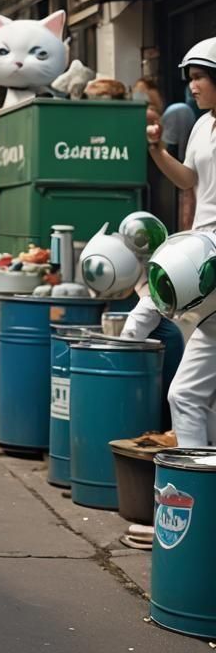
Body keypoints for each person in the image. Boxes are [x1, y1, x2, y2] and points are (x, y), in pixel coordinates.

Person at [123, 38, 216, 445]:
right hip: (201, 253)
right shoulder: (201, 125)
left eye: (200, 78)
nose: (192, 86)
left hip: (206, 261)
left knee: (187, 393)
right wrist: (157, 150)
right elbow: (189, 181)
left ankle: (195, 494)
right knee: (196, 394)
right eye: (191, 79)